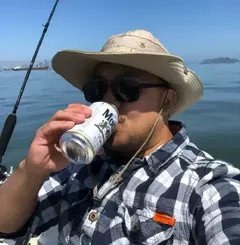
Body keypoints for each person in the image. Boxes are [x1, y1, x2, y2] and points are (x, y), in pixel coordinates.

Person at [0, 29, 240, 245]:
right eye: (96, 89)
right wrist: (32, 170)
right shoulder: (76, 167)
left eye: (127, 88)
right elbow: (7, 226)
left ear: (167, 100)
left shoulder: (205, 186)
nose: (108, 100)